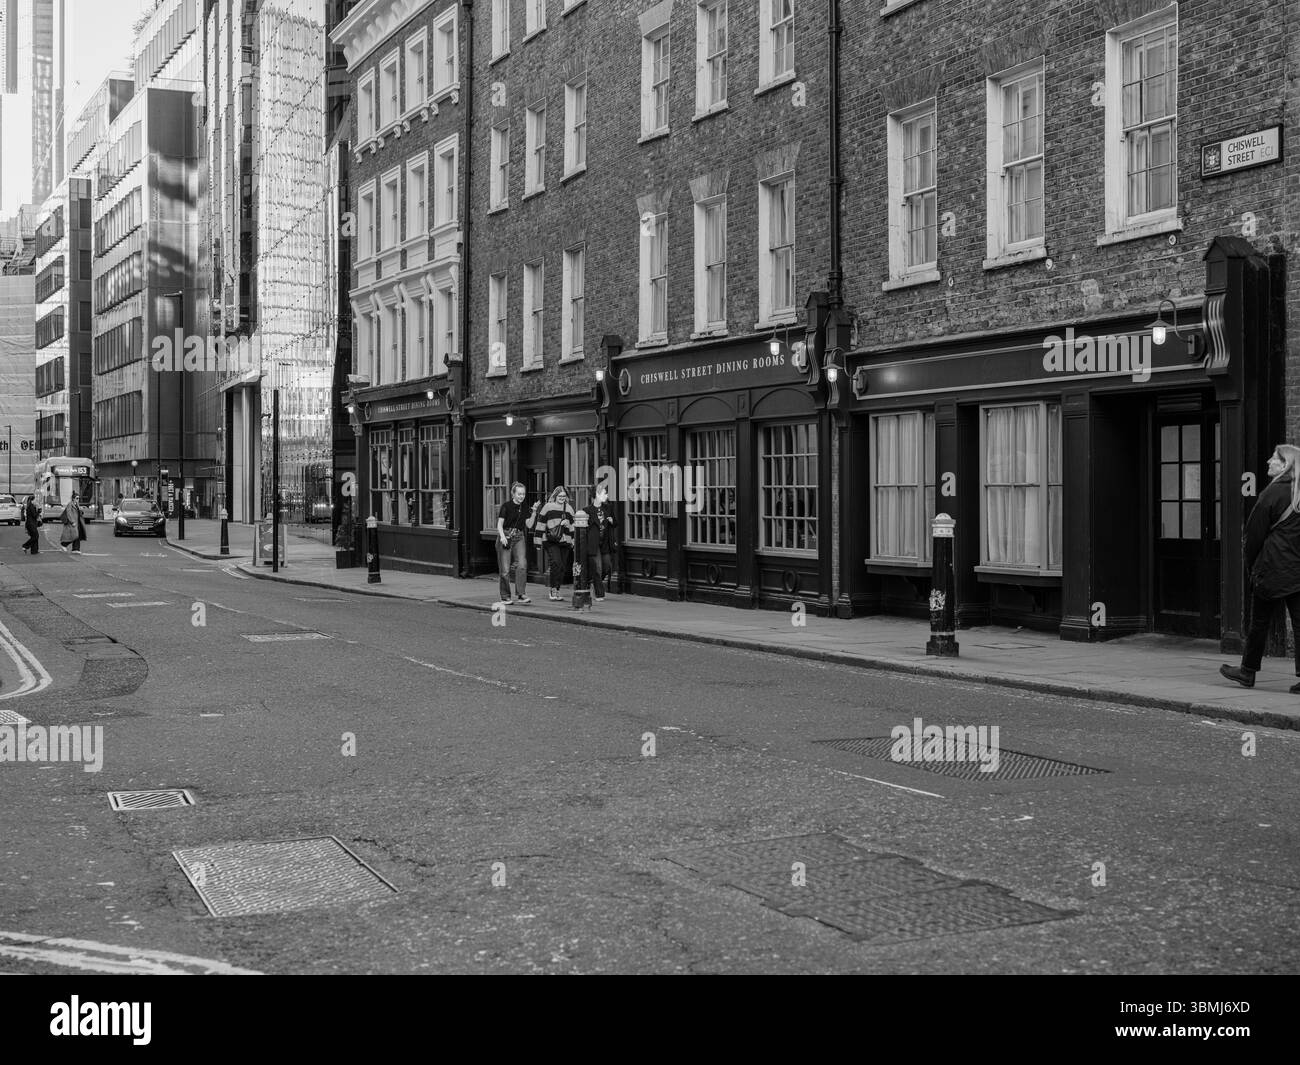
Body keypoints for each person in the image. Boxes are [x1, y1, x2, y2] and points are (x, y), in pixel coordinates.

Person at [1222, 443, 1300, 691]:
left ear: (1284, 464)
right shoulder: (1297, 493)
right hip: (1297, 569)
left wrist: (1251, 566)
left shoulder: (1273, 492)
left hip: (1272, 568)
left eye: (1273, 458)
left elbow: (1253, 535)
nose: (1268, 461)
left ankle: (1247, 672)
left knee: (1259, 622)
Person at [495, 482, 535, 606]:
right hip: (506, 535)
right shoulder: (506, 506)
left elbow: (529, 525)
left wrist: (534, 512)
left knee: (522, 564)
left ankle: (521, 594)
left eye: (523, 494)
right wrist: (502, 537)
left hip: (519, 536)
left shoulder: (525, 507)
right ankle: (505, 596)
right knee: (505, 569)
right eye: (519, 494)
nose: (521, 496)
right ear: (513, 494)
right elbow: (499, 524)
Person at [533, 486, 575, 601]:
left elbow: (574, 528)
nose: (562, 498)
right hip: (550, 540)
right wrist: (537, 542)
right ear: (555, 496)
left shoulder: (569, 509)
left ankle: (557, 589)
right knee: (556, 563)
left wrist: (569, 525)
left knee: (562, 567)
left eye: (564, 496)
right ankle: (552, 589)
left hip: (565, 541)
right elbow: (540, 523)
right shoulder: (548, 507)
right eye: (560, 496)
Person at [580, 484, 619, 601]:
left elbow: (615, 523)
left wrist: (612, 521)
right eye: (604, 493)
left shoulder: (608, 508)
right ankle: (599, 593)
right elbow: (584, 530)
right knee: (597, 567)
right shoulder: (587, 510)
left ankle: (593, 582)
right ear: (597, 494)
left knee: (607, 566)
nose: (606, 495)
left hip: (605, 542)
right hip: (593, 543)